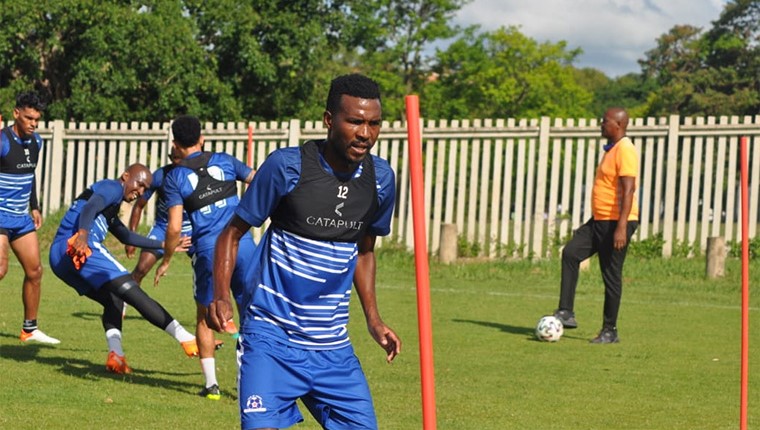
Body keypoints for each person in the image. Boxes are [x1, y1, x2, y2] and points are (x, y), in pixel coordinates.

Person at [209, 73, 401, 429]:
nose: (365, 133)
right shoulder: (287, 167)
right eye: (355, 121)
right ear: (330, 120)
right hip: (271, 342)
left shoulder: (382, 180)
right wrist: (221, 294)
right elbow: (232, 234)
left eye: (374, 124)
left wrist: (373, 319)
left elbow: (365, 251)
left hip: (333, 351)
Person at [49, 163, 199, 374]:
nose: (140, 191)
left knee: (114, 299)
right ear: (125, 176)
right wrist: (83, 233)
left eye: (145, 189)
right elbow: (91, 206)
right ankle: (186, 338)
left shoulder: (112, 206)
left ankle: (116, 356)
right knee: (132, 291)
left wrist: (164, 244)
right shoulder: (113, 188)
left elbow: (126, 235)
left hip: (59, 259)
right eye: (139, 184)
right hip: (80, 245)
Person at [154, 115, 255, 400]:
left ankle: (212, 386)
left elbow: (174, 227)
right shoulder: (225, 160)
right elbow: (258, 180)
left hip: (209, 252)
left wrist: (167, 259)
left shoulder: (174, 177)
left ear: (175, 144)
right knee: (250, 313)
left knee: (205, 316)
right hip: (244, 244)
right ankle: (248, 383)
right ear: (202, 139)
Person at [553, 107, 639, 344]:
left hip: (616, 222)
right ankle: (566, 312)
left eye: (605, 121)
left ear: (619, 125)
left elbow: (629, 189)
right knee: (571, 253)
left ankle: (610, 330)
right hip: (599, 220)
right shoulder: (611, 150)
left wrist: (621, 227)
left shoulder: (625, 150)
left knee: (610, 275)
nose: (601, 125)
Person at [0, 91, 59, 344]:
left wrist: (35, 206)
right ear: (16, 114)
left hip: (21, 218)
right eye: (28, 118)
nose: (34, 123)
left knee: (35, 271)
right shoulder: (2, 141)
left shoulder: (36, 142)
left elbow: (30, 174)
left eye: (37, 119)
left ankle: (29, 329)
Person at [125, 148, 194, 285]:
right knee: (141, 268)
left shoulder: (196, 176)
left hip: (191, 230)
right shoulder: (160, 176)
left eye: (180, 158)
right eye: (173, 158)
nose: (177, 162)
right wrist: (131, 238)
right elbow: (139, 206)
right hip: (163, 228)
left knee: (207, 269)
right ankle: (122, 303)